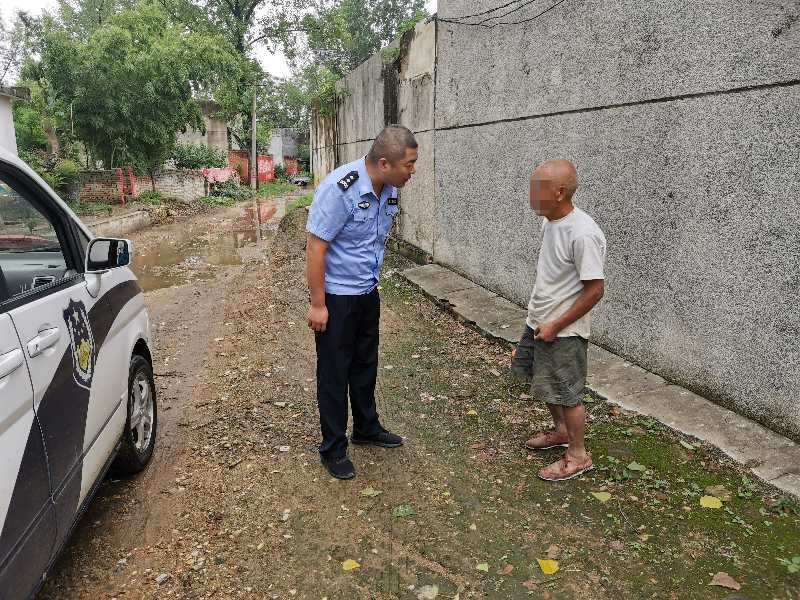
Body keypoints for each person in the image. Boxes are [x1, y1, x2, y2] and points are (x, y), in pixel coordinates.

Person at [305, 125, 418, 480]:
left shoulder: (389, 190)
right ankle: (334, 449)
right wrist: (318, 304)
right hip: (337, 299)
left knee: (365, 364)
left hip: (368, 292)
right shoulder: (341, 190)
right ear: (384, 163)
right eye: (409, 165)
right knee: (335, 374)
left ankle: (366, 428)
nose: (412, 171)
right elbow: (316, 247)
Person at [511, 159, 606, 481]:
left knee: (568, 393)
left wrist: (556, 325)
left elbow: (595, 290)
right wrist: (535, 320)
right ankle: (561, 432)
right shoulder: (549, 222)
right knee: (544, 382)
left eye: (537, 189)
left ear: (560, 192)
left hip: (563, 330)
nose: (530, 195)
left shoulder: (584, 234)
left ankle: (578, 455)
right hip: (539, 320)